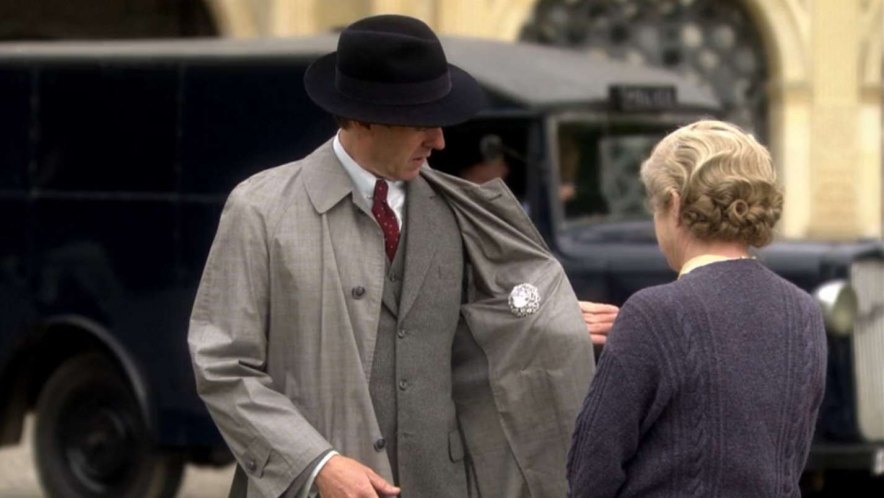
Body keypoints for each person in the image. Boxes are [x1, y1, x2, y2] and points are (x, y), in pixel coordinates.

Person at [188, 14, 596, 498]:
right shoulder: (260, 210)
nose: (440, 141)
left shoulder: (459, 211)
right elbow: (224, 366)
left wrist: (538, 318)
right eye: (422, 121)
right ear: (361, 118)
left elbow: (470, 337)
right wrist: (317, 465)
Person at [567, 120, 827, 497]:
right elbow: (790, 460)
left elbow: (591, 468)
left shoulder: (654, 313)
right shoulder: (804, 313)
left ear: (673, 204)